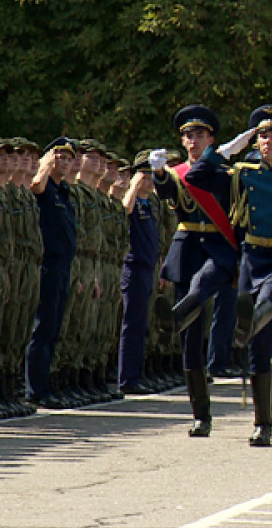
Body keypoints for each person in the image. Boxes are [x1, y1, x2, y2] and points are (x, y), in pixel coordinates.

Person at [184, 105, 272, 445]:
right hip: (253, 260)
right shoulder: (243, 174)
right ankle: (263, 423)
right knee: (259, 345)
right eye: (262, 135)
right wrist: (226, 150)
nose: (268, 141)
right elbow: (195, 178)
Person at [149, 106, 239, 437]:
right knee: (191, 339)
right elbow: (168, 193)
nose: (192, 141)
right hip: (187, 249)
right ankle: (200, 414)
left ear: (211, 139)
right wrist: (158, 175)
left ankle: (174, 315)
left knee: (201, 297)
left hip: (217, 248)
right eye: (188, 136)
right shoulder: (177, 172)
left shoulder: (225, 173)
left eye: (199, 135)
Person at [25, 137, 79, 408]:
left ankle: (46, 383)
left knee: (55, 327)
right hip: (49, 264)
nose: (64, 163)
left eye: (69, 159)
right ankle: (36, 388)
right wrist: (44, 165)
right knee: (43, 327)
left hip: (64, 265)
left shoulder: (65, 191)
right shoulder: (45, 187)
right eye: (59, 157)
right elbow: (35, 186)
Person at [117, 151, 160, 394]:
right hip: (133, 267)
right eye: (146, 175)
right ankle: (127, 379)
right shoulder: (131, 201)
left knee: (142, 324)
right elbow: (124, 211)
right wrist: (133, 186)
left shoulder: (150, 204)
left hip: (147, 267)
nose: (151, 180)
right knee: (131, 324)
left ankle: (137, 374)